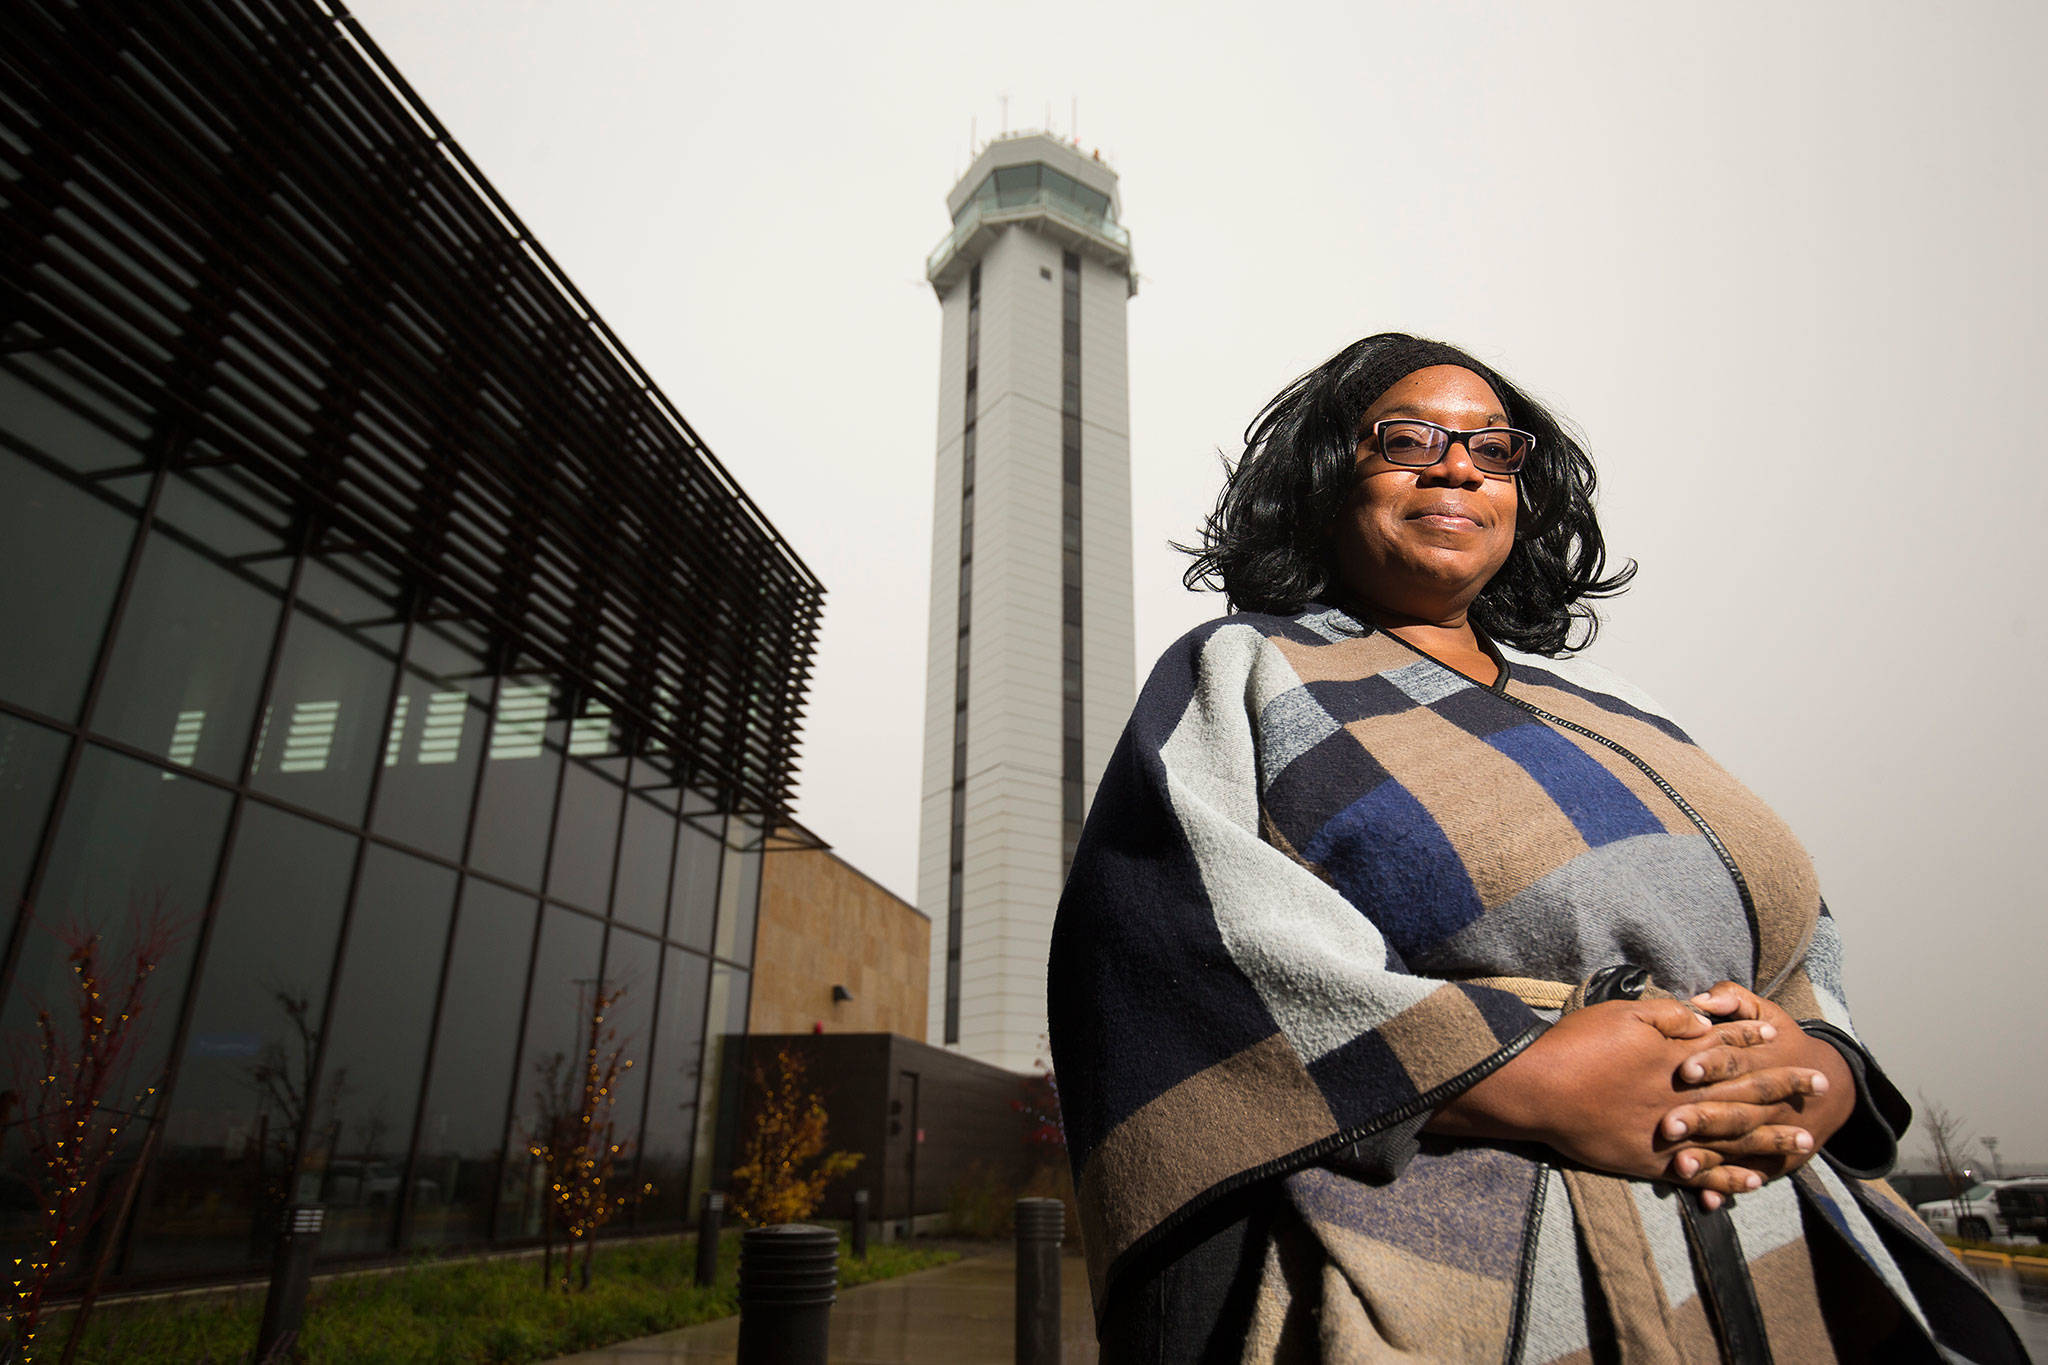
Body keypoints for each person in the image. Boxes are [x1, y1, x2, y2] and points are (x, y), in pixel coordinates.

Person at [1046, 334, 2024, 1363]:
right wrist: (1521, 1078)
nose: (1456, 465)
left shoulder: (1624, 709)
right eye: (1406, 438)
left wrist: (1815, 1068)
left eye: (1491, 448)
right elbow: (1172, 941)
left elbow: (1790, 931)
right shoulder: (1248, 668)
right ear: (1328, 475)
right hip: (1461, 1278)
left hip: (1786, 1252)